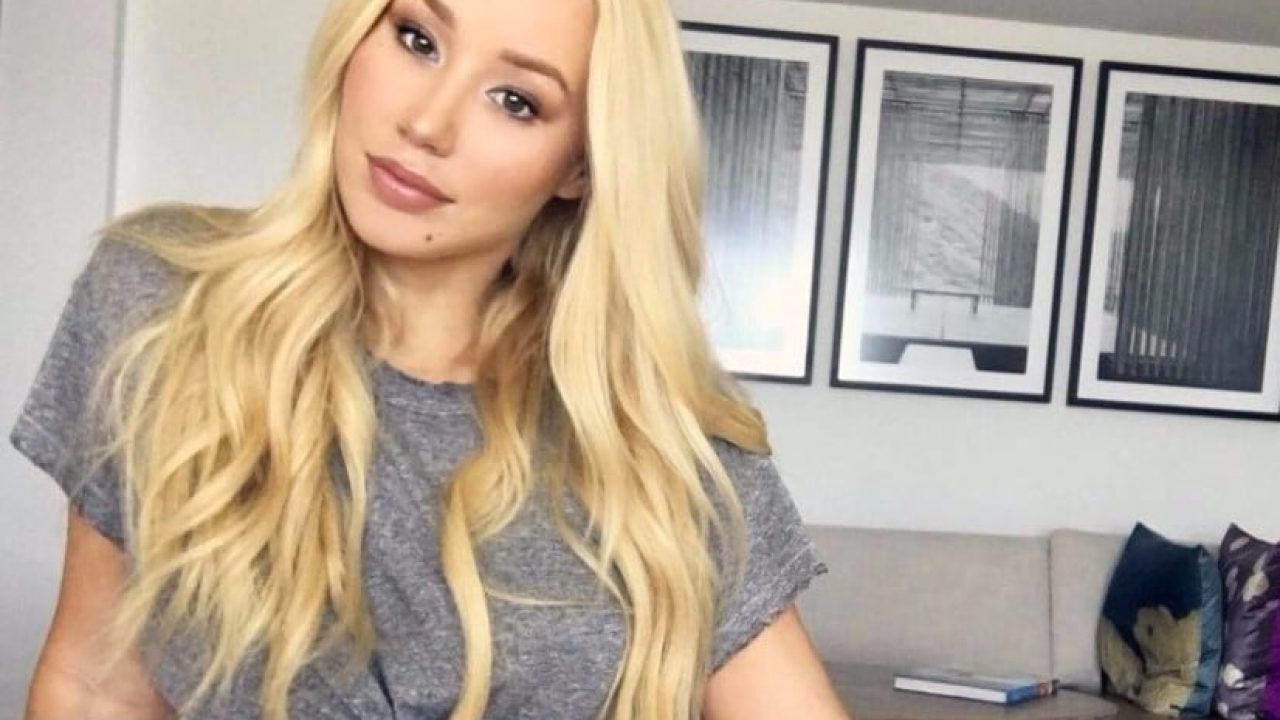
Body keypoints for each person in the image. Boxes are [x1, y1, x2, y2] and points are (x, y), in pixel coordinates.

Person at [10, 0, 850, 717]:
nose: (427, 122)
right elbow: (97, 686)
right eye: (417, 38)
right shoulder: (158, 302)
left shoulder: (666, 446)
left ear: (581, 166)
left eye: (516, 100)